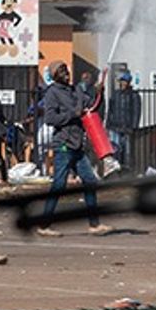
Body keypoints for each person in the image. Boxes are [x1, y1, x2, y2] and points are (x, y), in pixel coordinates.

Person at [37, 62, 111, 236]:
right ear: (55, 75)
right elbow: (49, 118)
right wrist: (72, 114)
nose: (66, 73)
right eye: (61, 71)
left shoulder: (75, 90)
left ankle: (94, 224)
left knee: (90, 181)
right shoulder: (52, 93)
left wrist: (100, 91)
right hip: (63, 144)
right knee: (59, 185)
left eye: (66, 70)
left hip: (77, 145)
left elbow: (92, 106)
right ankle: (44, 225)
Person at [105, 71, 142, 169]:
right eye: (122, 81)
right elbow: (110, 110)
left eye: (125, 81)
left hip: (127, 127)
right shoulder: (115, 94)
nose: (123, 83)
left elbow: (136, 112)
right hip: (115, 127)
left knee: (127, 152)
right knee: (115, 150)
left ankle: (127, 170)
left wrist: (133, 127)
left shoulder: (134, 95)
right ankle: (116, 169)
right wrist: (108, 124)